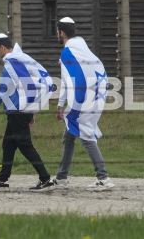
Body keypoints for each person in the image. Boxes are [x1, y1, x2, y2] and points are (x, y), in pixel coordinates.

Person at [0, 33, 55, 192]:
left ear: (2, 48)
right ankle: (2, 180)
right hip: (23, 110)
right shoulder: (22, 58)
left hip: (18, 111)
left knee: (25, 145)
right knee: (8, 144)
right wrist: (32, 111)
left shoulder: (11, 63)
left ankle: (46, 179)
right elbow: (28, 85)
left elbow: (2, 89)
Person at [53, 17, 113, 191]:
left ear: (62, 32)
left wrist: (60, 105)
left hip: (83, 95)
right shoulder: (83, 49)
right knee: (70, 134)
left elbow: (67, 81)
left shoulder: (68, 53)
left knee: (85, 133)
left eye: (57, 32)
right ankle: (62, 177)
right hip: (97, 92)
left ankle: (103, 177)